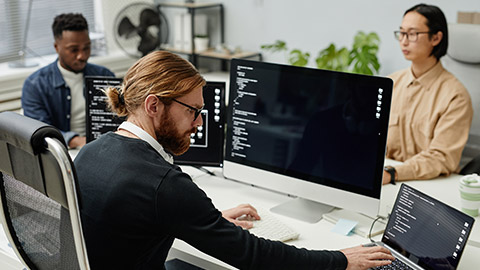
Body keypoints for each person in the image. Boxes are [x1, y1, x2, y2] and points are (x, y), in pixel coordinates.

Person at [74, 51, 393, 270]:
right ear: (154, 105)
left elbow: (132, 226)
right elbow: (254, 257)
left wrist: (204, 221)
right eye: (193, 112)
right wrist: (340, 260)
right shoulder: (164, 184)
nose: (199, 123)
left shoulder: (91, 152)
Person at [383, 3, 473, 184]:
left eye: (413, 34)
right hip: (388, 178)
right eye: (401, 33)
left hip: (430, 183)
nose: (404, 41)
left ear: (436, 38)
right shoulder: (391, 83)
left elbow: (441, 157)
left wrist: (394, 173)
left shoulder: (455, 96)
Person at [22, 13, 114, 149]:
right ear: (56, 47)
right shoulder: (35, 85)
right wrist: (77, 141)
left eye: (87, 47)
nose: (82, 56)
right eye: (74, 50)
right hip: (62, 152)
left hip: (104, 147)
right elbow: (40, 131)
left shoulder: (104, 76)